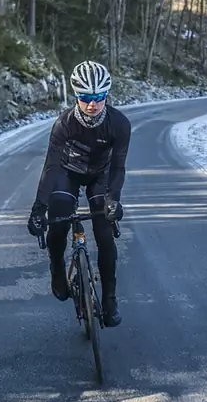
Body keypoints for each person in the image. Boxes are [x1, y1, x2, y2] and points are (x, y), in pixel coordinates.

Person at [27, 60, 131, 327]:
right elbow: (50, 168)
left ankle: (109, 300)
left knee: (105, 233)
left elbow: (119, 166)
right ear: (77, 96)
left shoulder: (119, 124)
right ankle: (57, 267)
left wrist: (114, 199)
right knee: (59, 218)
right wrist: (38, 209)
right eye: (85, 97)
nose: (92, 104)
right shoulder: (64, 124)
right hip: (67, 171)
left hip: (101, 174)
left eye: (98, 97)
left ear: (106, 95)